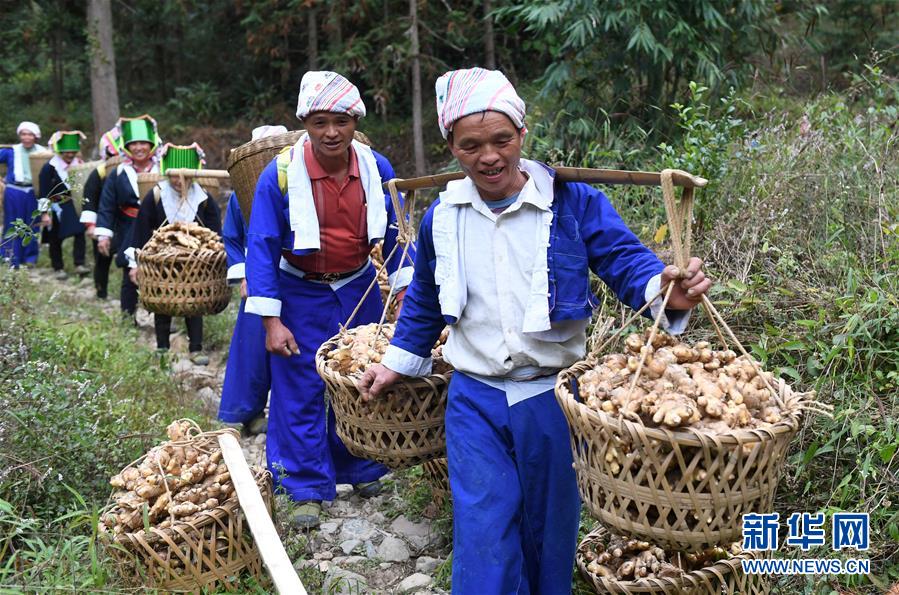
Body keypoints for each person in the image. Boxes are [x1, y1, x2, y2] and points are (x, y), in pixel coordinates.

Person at [359, 67, 712, 594]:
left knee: (549, 532)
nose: (490, 156)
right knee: (484, 528)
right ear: (451, 146)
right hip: (474, 399)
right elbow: (427, 301)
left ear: (523, 134)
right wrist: (397, 362)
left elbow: (625, 261)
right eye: (470, 145)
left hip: (551, 396)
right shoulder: (443, 217)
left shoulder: (571, 203)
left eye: (503, 140)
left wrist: (666, 292)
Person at [245, 72, 414, 528]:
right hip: (300, 287)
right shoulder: (279, 173)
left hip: (358, 285)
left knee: (361, 377)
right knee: (299, 386)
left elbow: (399, 231)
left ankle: (360, 466)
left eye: (341, 121)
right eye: (320, 122)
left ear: (355, 121)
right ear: (305, 124)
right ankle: (303, 486)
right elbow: (260, 244)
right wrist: (270, 320)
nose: (331, 132)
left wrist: (401, 288)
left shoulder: (376, 167)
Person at [218, 126, 286, 434]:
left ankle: (288, 418)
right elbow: (232, 238)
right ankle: (249, 410)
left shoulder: (300, 183)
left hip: (296, 275)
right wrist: (245, 273)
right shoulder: (241, 194)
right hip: (258, 277)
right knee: (253, 348)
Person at [127, 143, 220, 365]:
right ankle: (162, 347)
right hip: (161, 261)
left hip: (195, 262)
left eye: (184, 177)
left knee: (194, 302)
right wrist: (135, 264)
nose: (179, 182)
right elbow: (140, 230)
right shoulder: (157, 195)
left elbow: (216, 229)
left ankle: (196, 348)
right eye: (175, 177)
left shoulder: (204, 199)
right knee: (162, 301)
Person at [95, 115, 162, 319]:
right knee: (129, 272)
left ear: (151, 144)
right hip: (128, 226)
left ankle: (163, 317)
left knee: (162, 270)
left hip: (158, 228)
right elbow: (106, 205)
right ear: (126, 146)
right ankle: (127, 317)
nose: (139, 148)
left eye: (143, 143)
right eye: (133, 143)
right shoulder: (118, 173)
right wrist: (104, 235)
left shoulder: (163, 169)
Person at [38, 130, 88, 279]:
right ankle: (58, 267)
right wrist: (44, 213)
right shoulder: (49, 168)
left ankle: (79, 264)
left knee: (80, 233)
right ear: (60, 151)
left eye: (73, 151)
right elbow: (44, 192)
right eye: (66, 152)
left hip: (74, 204)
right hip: (57, 206)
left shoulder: (79, 165)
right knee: (56, 237)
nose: (70, 155)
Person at [80, 127, 122, 299]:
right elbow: (88, 199)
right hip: (103, 221)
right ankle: (101, 291)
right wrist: (91, 225)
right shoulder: (99, 174)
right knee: (102, 259)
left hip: (126, 221)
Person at [0, 122, 46, 268]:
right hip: (14, 190)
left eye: (30, 134)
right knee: (12, 223)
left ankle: (30, 258)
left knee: (32, 223)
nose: (26, 138)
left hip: (33, 191)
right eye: (23, 134)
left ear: (35, 136)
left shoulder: (42, 153)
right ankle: (10, 258)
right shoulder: (11, 151)